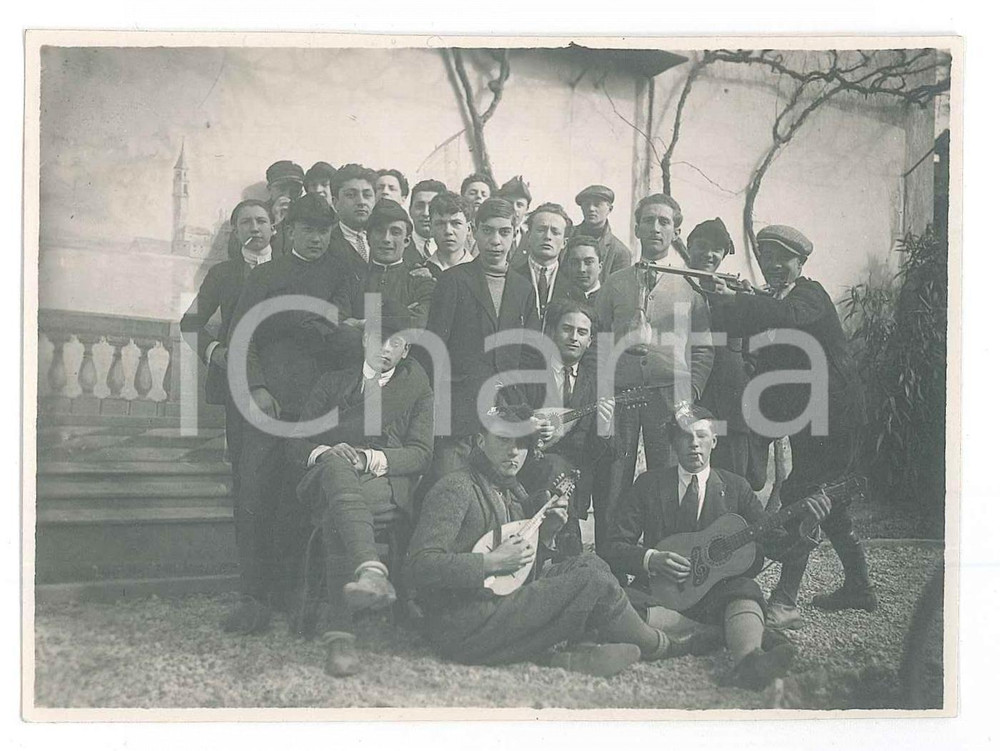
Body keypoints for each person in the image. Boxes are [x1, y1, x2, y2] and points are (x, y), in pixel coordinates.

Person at [405, 404, 675, 677]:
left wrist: (546, 535)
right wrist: (489, 562)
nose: (513, 452)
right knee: (593, 583)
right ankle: (663, 646)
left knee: (591, 564)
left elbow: (517, 575)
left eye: (522, 444)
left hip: (496, 606)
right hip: (463, 624)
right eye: (503, 440)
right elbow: (419, 566)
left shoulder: (513, 492)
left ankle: (577, 651)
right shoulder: (456, 488)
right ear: (480, 440)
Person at [704, 224, 876, 629]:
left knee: (803, 492)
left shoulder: (807, 295)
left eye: (784, 259)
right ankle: (859, 586)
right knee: (827, 500)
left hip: (834, 415)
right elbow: (746, 341)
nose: (775, 265)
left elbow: (786, 317)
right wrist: (719, 300)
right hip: (806, 414)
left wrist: (740, 299)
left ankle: (785, 600)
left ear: (800, 264)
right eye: (767, 257)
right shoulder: (769, 301)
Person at [606, 407, 831, 689]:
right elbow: (614, 545)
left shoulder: (737, 488)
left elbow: (777, 546)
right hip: (663, 591)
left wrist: (807, 525)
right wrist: (651, 559)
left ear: (714, 441)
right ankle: (715, 633)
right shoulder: (649, 485)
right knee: (615, 603)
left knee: (747, 591)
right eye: (686, 437)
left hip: (717, 595)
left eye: (702, 436)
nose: (694, 444)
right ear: (674, 442)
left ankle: (749, 661)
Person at [222, 193, 359, 635]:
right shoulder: (267, 275)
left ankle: (298, 598)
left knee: (300, 499)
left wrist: (323, 327)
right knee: (256, 496)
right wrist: (258, 388)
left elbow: (348, 339)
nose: (317, 238)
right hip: (266, 404)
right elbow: (242, 337)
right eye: (309, 229)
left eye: (325, 230)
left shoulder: (345, 274)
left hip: (318, 407)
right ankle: (254, 598)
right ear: (290, 230)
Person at [288, 307, 434, 677]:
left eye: (395, 343)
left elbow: (420, 454)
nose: (384, 348)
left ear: (405, 352)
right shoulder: (332, 382)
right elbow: (296, 442)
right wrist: (327, 451)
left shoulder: (416, 389)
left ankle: (341, 636)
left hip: (384, 482)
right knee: (337, 468)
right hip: (327, 476)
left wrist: (369, 458)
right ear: (362, 342)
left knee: (340, 515)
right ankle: (371, 572)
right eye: (376, 339)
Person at [593, 194, 715, 552]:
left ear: (676, 230)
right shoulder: (614, 283)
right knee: (614, 481)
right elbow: (598, 343)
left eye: (664, 222)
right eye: (649, 221)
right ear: (637, 228)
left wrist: (688, 395)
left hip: (669, 398)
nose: (656, 228)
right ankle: (611, 565)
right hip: (621, 396)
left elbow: (704, 347)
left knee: (668, 481)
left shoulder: (689, 286)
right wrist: (603, 393)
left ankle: (662, 565)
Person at [424, 197, 537, 481]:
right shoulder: (453, 281)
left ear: (516, 233)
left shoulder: (523, 289)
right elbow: (433, 349)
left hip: (508, 412)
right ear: (473, 232)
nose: (495, 240)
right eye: (487, 231)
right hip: (460, 412)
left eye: (504, 232)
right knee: (452, 485)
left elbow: (530, 355)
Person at [180, 199, 274, 500]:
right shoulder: (223, 274)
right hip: (238, 383)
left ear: (273, 227)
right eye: (246, 222)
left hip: (282, 380)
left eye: (261, 221)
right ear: (235, 232)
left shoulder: (290, 269)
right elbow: (189, 324)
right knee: (243, 468)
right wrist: (215, 352)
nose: (255, 228)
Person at [517, 301, 615, 555]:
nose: (574, 338)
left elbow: (593, 453)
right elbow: (508, 414)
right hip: (527, 469)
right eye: (567, 329)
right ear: (551, 332)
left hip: (570, 481)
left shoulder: (594, 385)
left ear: (590, 341)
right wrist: (531, 429)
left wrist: (604, 427)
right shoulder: (528, 371)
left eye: (582, 333)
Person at [687, 218, 768, 490]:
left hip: (732, 402)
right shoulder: (677, 285)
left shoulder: (735, 290)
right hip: (692, 395)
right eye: (702, 246)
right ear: (689, 247)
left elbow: (754, 343)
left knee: (734, 479)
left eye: (717, 250)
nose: (709, 254)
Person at [341, 199, 437, 329]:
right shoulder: (352, 280)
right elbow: (338, 322)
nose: (386, 239)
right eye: (380, 231)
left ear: (407, 240)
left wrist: (361, 323)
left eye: (395, 232)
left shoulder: (420, 281)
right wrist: (402, 315)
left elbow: (420, 322)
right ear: (368, 238)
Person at [509, 202, 575, 326]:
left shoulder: (573, 284)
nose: (547, 236)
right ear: (528, 236)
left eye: (555, 232)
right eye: (541, 230)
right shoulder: (510, 277)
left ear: (564, 243)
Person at [572, 184, 633, 283]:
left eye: (597, 204)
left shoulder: (620, 252)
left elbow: (618, 290)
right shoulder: (565, 237)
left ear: (610, 209)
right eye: (587, 204)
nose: (591, 209)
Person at [328, 163, 379, 280]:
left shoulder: (385, 238)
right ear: (335, 203)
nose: (361, 202)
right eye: (351, 195)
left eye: (367, 195)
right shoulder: (327, 244)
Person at [425, 191, 475, 276]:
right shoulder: (420, 272)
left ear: (469, 229)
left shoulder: (479, 272)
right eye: (440, 224)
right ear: (431, 229)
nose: (448, 231)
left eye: (456, 223)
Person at [403, 179, 448, 268]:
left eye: (432, 207)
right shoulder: (399, 246)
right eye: (419, 206)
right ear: (410, 210)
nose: (426, 213)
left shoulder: (454, 248)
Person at [265, 160, 305, 257]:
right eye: (281, 188)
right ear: (269, 189)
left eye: (294, 190)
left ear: (301, 192)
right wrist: (276, 224)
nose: (287, 195)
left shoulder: (307, 213)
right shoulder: (257, 213)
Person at [496, 175, 532, 263]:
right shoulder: (490, 235)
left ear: (526, 209)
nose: (514, 208)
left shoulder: (530, 241)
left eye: (519, 205)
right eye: (509, 203)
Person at [562, 235, 604, 306]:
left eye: (588, 262)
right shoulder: (559, 297)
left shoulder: (610, 298)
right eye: (575, 263)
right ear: (568, 266)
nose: (581, 269)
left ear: (600, 267)